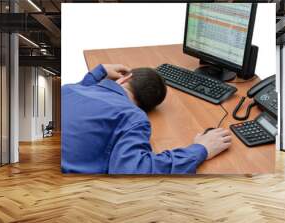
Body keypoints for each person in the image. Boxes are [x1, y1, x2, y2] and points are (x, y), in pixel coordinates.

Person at [61, 64, 232, 174]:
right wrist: (200, 149)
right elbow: (133, 171)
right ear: (146, 107)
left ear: (125, 78)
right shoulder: (132, 117)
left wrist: (100, 71)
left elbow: (83, 88)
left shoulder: (68, 89)